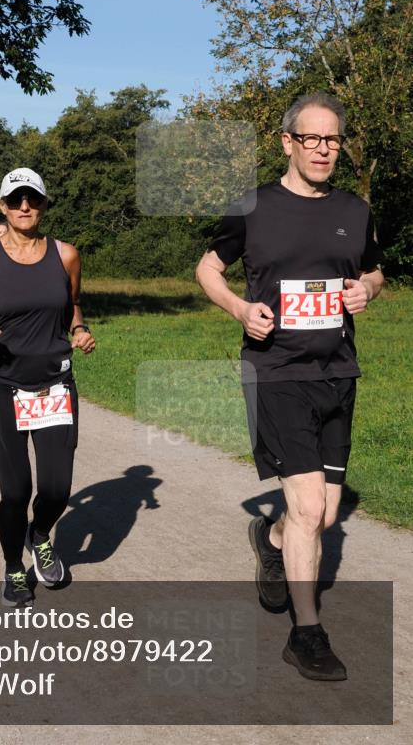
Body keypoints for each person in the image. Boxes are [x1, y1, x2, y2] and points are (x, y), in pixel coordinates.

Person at [195, 92, 384, 681]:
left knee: (324, 516)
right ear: (287, 142)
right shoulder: (253, 207)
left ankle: (270, 537)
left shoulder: (354, 209)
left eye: (332, 140)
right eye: (312, 139)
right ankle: (307, 635)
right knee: (307, 508)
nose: (323, 149)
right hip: (275, 371)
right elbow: (207, 267)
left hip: (338, 372)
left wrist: (367, 290)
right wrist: (238, 309)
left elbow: (374, 269)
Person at [0, 168, 96, 607]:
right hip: (1, 388)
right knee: (16, 490)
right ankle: (14, 567)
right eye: (15, 200)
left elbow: (72, 304)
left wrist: (79, 328)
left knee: (57, 488)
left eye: (32, 199)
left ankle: (40, 535)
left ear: (44, 204)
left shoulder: (66, 255)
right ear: (2, 206)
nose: (24, 207)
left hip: (54, 387)